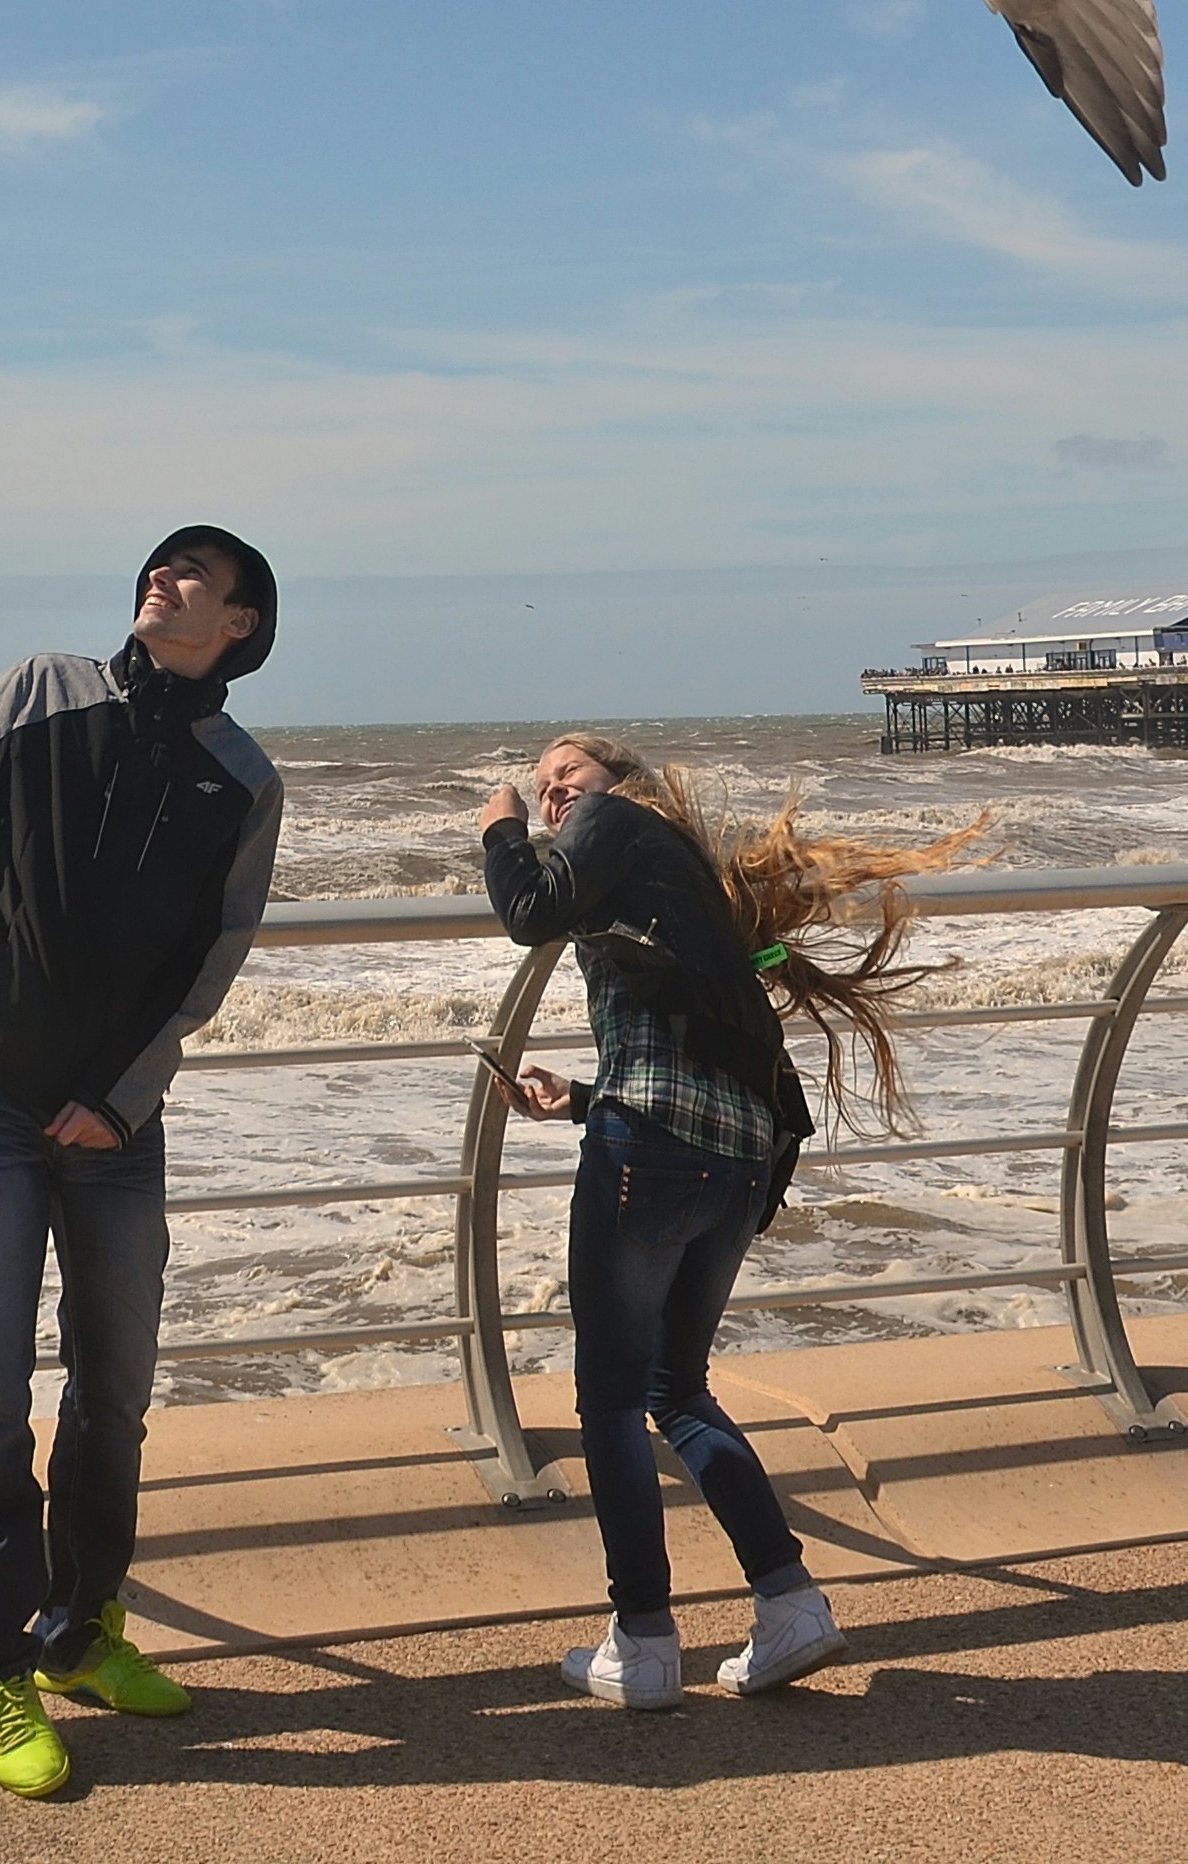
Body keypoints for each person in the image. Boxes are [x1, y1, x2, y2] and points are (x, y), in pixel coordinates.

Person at [0, 526, 285, 1799]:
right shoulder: (40, 688)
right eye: (162, 564)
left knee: (114, 1388)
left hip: (118, 1122)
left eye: (199, 576)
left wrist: (125, 1095)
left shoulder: (241, 774)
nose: (164, 578)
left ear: (240, 627)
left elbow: (211, 958)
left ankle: (83, 1631)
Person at [477, 732, 981, 1711]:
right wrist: (580, 1100)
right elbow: (693, 1042)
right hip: (734, 1159)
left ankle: (645, 1640)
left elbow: (528, 913)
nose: (549, 795)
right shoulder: (687, 882)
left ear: (625, 785)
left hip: (653, 1153)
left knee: (615, 1401)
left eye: (564, 777)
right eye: (539, 789)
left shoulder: (617, 825)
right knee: (680, 1390)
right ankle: (791, 1603)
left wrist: (498, 829)